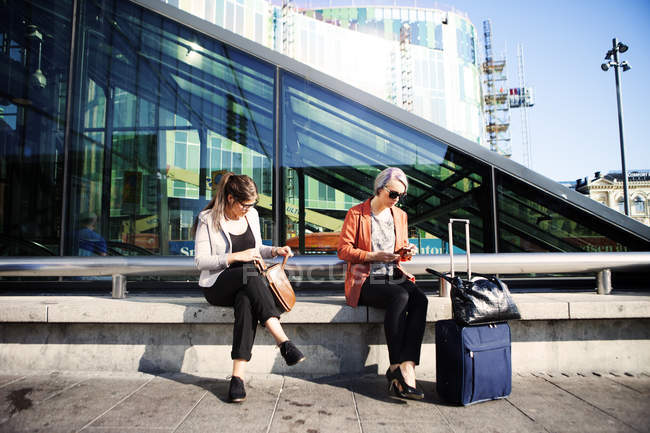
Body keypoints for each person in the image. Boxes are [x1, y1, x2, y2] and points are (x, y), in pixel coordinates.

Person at [193, 172, 305, 403]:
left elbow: (257, 248)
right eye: (245, 204)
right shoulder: (208, 219)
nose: (249, 209)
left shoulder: (251, 215)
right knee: (249, 273)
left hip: (248, 285)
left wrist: (275, 250)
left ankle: (237, 378)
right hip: (218, 284)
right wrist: (235, 257)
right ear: (231, 198)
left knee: (245, 300)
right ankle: (283, 340)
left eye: (253, 204)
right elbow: (200, 261)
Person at [337, 167, 427, 400]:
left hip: (392, 273)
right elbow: (343, 250)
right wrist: (372, 256)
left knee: (420, 299)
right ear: (380, 189)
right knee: (401, 296)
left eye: (401, 196)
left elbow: (400, 254)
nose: (397, 200)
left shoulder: (400, 216)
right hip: (365, 278)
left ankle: (408, 366)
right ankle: (395, 367)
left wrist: (407, 252)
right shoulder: (357, 214)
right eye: (393, 194)